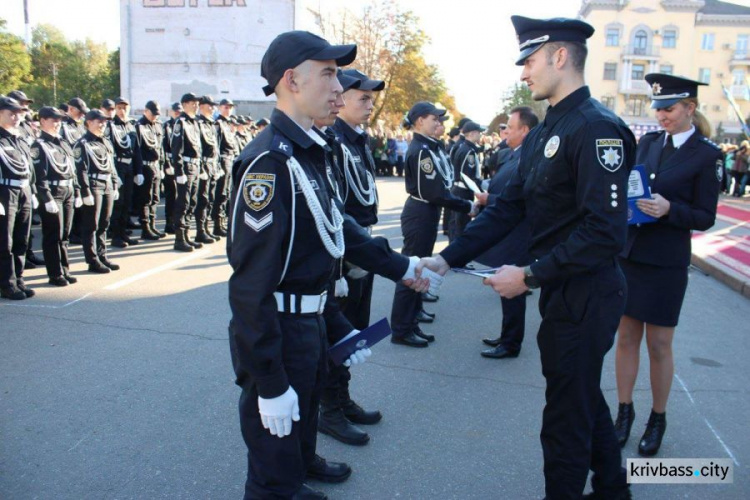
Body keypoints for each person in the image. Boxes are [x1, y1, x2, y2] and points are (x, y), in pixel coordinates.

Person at [418, 16, 635, 499]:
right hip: (563, 289)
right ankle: (614, 489)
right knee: (579, 398)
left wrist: (531, 276)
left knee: (564, 416)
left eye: (530, 61)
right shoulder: (546, 130)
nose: (523, 74)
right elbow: (508, 208)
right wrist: (447, 259)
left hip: (588, 292)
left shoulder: (598, 128)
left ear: (560, 57)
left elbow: (605, 233)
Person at [227, 30, 363, 500]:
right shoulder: (270, 162)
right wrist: (267, 378)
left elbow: (313, 254)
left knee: (301, 418)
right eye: (327, 73)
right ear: (291, 80)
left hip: (308, 321)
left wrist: (337, 322)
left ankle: (299, 469)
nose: (338, 88)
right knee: (272, 456)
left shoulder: (308, 151)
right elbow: (250, 287)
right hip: (278, 331)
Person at [613, 74, 721, 458]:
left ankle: (657, 418)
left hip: (665, 262)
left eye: (669, 108)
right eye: (657, 108)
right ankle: (624, 412)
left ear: (690, 108)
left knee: (659, 344)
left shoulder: (707, 155)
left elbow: (706, 216)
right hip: (631, 254)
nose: (660, 115)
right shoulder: (648, 142)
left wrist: (670, 209)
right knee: (626, 338)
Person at [390, 101, 476, 348]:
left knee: (422, 267)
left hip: (426, 212)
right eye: (434, 119)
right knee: (412, 269)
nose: (440, 124)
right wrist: (465, 205)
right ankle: (402, 328)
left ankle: (413, 318)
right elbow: (434, 193)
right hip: (420, 212)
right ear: (419, 121)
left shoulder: (429, 147)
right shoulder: (421, 150)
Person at [474, 106, 538, 359]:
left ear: (524, 130)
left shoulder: (529, 157)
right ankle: (507, 335)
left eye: (510, 128)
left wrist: (491, 199)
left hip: (518, 234)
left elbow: (521, 198)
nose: (505, 132)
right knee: (506, 290)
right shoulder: (511, 154)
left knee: (514, 289)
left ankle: (511, 343)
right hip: (507, 232)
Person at [31, 106, 81, 286]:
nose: (57, 123)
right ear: (43, 121)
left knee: (65, 235)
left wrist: (76, 191)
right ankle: (55, 273)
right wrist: (46, 198)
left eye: (59, 120)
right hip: (53, 193)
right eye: (54, 120)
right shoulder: (39, 145)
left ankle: (65, 269)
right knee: (53, 235)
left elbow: (72, 169)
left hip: (67, 191)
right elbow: (39, 174)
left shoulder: (63, 142)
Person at [74, 109, 120, 274]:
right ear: (88, 122)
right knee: (91, 225)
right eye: (99, 121)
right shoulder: (82, 143)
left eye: (104, 121)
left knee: (104, 223)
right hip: (93, 184)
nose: (102, 124)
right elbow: (81, 170)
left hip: (106, 183)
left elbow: (111, 165)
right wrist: (85, 192)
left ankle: (102, 255)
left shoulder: (105, 141)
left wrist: (115, 184)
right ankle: (92, 260)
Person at [0, 97, 37, 300]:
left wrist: (33, 192)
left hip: (23, 191)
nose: (16, 117)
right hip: (4, 192)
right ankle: (7, 283)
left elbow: (29, 168)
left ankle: (19, 278)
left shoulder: (19, 138)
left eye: (17, 113)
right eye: (10, 113)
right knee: (5, 240)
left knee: (21, 239)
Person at [170, 93, 203, 252]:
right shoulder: (180, 123)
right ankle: (179, 238)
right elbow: (176, 149)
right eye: (192, 103)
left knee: (192, 202)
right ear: (184, 105)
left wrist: (201, 167)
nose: (196, 105)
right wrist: (179, 171)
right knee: (183, 203)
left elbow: (199, 148)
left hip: (195, 167)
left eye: (197, 103)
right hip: (186, 167)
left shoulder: (195, 123)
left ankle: (187, 235)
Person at [133, 100, 166, 240]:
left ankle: (152, 225)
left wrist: (164, 165)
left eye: (157, 115)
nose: (155, 117)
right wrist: (138, 171)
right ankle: (145, 228)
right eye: (153, 114)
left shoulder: (158, 126)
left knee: (155, 198)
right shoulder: (139, 126)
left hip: (156, 165)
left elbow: (161, 147)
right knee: (145, 198)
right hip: (145, 166)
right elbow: (137, 150)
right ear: (145, 111)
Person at [109, 97, 139, 248]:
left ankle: (123, 232)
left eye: (125, 108)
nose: (122, 111)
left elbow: (136, 149)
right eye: (119, 108)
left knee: (127, 202)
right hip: (118, 165)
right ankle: (116, 236)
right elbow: (109, 151)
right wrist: (114, 174)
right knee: (118, 204)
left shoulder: (131, 125)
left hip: (129, 166)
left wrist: (138, 171)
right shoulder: (110, 125)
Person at [449, 120, 483, 241]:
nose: (480, 135)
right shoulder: (469, 151)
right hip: (463, 191)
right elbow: (467, 176)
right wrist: (481, 187)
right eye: (479, 133)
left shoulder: (463, 147)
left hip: (458, 189)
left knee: (455, 225)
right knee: (461, 226)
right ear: (472, 133)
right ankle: (456, 256)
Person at [195, 95, 220, 244]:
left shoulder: (211, 123)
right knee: (202, 199)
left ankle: (206, 229)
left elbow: (215, 147)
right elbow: (198, 148)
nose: (212, 108)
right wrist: (202, 168)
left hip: (212, 164)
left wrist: (216, 166)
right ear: (201, 106)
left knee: (210, 198)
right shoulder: (198, 123)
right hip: (203, 165)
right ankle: (200, 231)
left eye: (212, 105)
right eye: (209, 105)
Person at [214, 98, 238, 237]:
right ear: (220, 108)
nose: (228, 109)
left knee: (226, 193)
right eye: (225, 107)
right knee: (220, 193)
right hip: (222, 159)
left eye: (230, 107)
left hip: (229, 160)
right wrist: (218, 165)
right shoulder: (218, 124)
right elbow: (216, 145)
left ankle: (222, 222)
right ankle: (217, 224)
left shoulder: (228, 123)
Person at [162, 102, 182, 234]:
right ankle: (169, 222)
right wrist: (166, 164)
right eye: (176, 111)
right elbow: (162, 147)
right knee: (171, 194)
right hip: (169, 162)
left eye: (179, 112)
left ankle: (176, 221)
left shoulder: (182, 124)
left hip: (179, 162)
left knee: (180, 195)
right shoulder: (167, 126)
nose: (177, 114)